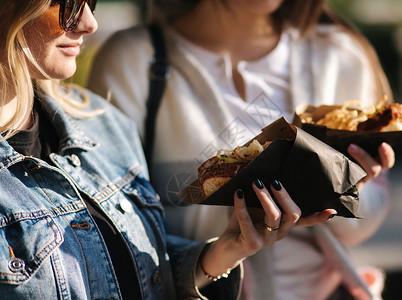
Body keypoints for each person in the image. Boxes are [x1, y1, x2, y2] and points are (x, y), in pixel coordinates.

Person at [0, 1, 337, 299]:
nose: (90, 23)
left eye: (91, 1)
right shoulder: (134, 62)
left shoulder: (104, 124)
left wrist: (222, 251)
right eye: (68, 4)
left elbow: (137, 269)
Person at [88, 0, 396, 299]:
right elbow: (112, 233)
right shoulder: (134, 60)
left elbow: (362, 225)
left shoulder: (339, 55)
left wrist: (348, 187)